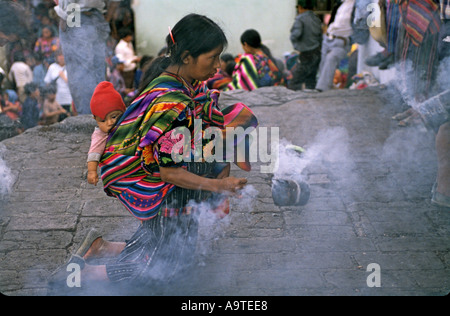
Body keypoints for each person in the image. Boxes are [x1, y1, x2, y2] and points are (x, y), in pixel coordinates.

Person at [48, 13, 256, 288]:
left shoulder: (178, 82)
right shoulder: (172, 105)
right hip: (159, 179)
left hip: (169, 171)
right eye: (212, 58)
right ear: (186, 57)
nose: (218, 66)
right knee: (165, 269)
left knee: (165, 244)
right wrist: (218, 186)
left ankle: (100, 248)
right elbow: (169, 172)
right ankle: (78, 278)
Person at [54, 0, 121, 115]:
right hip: (97, 17)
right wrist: (107, 18)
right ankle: (100, 116)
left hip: (75, 13)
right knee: (97, 71)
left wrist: (66, 18)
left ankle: (87, 118)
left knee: (80, 73)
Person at [87, 81, 126, 186]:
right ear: (95, 119)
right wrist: (92, 172)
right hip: (115, 174)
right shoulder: (100, 135)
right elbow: (94, 153)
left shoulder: (128, 125)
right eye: (103, 121)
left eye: (114, 117)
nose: (110, 123)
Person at [315, 0, 356, 92]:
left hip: (341, 40)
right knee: (323, 63)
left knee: (331, 59)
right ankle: (326, 86)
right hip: (328, 37)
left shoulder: (357, 5)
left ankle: (322, 88)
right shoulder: (340, 4)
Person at [288, 0, 323, 91]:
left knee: (295, 82)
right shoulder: (316, 18)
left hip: (306, 54)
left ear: (300, 7)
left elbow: (295, 35)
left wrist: (297, 47)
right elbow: (320, 37)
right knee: (311, 80)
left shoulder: (300, 19)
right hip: (317, 53)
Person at [44, 51, 73, 115]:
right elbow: (47, 82)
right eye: (59, 55)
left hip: (69, 98)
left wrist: (64, 77)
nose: (61, 57)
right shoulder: (52, 67)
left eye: (63, 55)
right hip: (57, 100)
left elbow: (74, 84)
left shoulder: (71, 67)